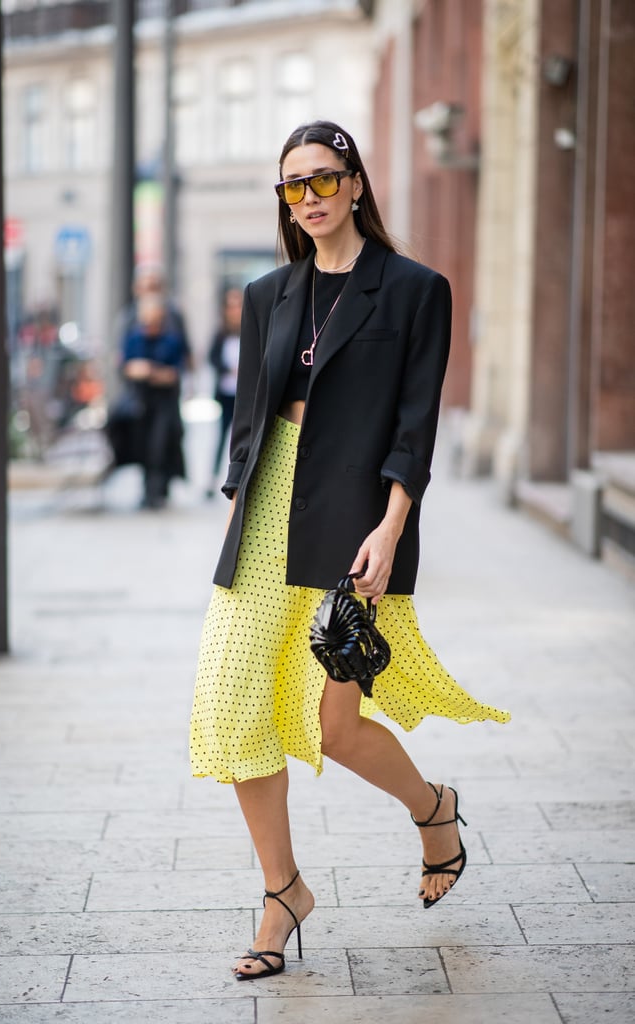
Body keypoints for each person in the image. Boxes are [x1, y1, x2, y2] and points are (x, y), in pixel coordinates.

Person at [189, 120, 510, 980]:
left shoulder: (413, 289)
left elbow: (417, 421)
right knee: (230, 700)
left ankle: (433, 808)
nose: (312, 197)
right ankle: (281, 890)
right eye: (295, 186)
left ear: (357, 183)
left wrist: (393, 523)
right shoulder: (267, 294)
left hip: (357, 511)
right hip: (266, 513)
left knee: (334, 726)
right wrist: (232, 515)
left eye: (326, 179)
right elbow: (249, 421)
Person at [120, 292, 187, 508]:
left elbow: (174, 373)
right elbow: (126, 367)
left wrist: (149, 371)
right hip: (140, 401)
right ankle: (147, 489)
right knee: (143, 445)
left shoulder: (171, 340)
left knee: (160, 444)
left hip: (164, 402)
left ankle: (158, 490)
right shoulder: (134, 339)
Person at [206, 287, 243, 496]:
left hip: (245, 396)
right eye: (230, 306)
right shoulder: (221, 333)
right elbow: (212, 358)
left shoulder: (251, 327)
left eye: (237, 305)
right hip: (226, 393)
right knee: (221, 437)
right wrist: (228, 369)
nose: (234, 310)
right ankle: (213, 479)